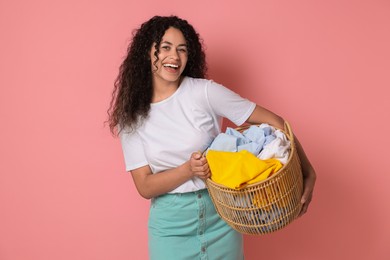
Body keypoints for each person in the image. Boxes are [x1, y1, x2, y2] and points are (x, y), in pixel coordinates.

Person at [107, 15, 316, 260]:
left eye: (182, 50)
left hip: (221, 216)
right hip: (170, 229)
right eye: (165, 48)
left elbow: (277, 123)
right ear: (147, 52)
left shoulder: (203, 92)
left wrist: (308, 171)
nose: (174, 57)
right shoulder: (132, 115)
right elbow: (144, 185)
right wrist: (189, 170)